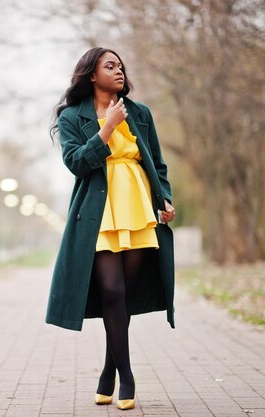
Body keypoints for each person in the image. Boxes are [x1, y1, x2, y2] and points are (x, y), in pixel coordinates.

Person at [45, 47, 176, 411]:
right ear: (91, 75)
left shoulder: (140, 113)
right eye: (110, 66)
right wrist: (106, 129)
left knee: (125, 297)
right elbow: (76, 164)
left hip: (136, 204)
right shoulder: (73, 116)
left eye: (120, 66)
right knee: (112, 291)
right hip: (99, 211)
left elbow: (157, 163)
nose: (119, 71)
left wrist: (164, 198)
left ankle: (107, 372)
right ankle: (127, 375)